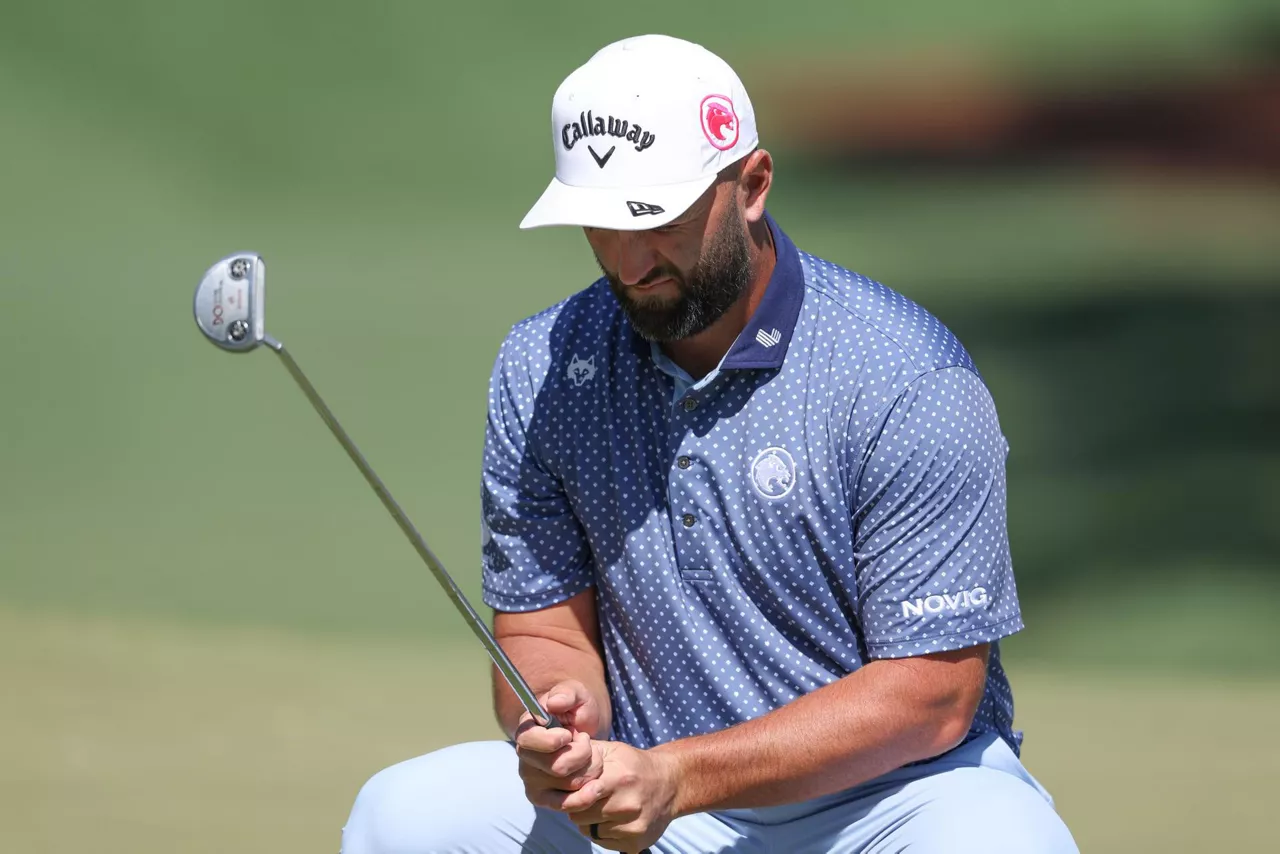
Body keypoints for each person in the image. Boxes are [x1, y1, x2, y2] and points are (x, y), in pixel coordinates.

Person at [341, 34, 1079, 854]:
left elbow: (931, 697)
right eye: (602, 221)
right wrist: (554, 714)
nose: (628, 262)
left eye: (656, 218)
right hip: (650, 799)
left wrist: (681, 777)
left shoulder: (903, 378)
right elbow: (545, 634)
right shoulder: (544, 366)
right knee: (402, 815)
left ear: (752, 186)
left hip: (894, 806)